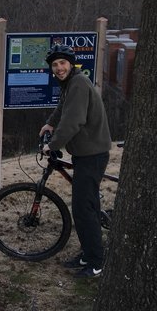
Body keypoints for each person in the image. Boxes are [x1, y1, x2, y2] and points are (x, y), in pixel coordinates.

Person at [39, 44, 112, 278]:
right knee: (86, 207)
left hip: (92, 154)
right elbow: (63, 108)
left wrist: (53, 144)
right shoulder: (71, 83)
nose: (58, 68)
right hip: (86, 152)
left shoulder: (78, 83)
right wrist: (50, 123)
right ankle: (88, 253)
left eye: (62, 63)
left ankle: (96, 263)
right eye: (55, 65)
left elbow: (73, 120)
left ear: (71, 64)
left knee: (83, 209)